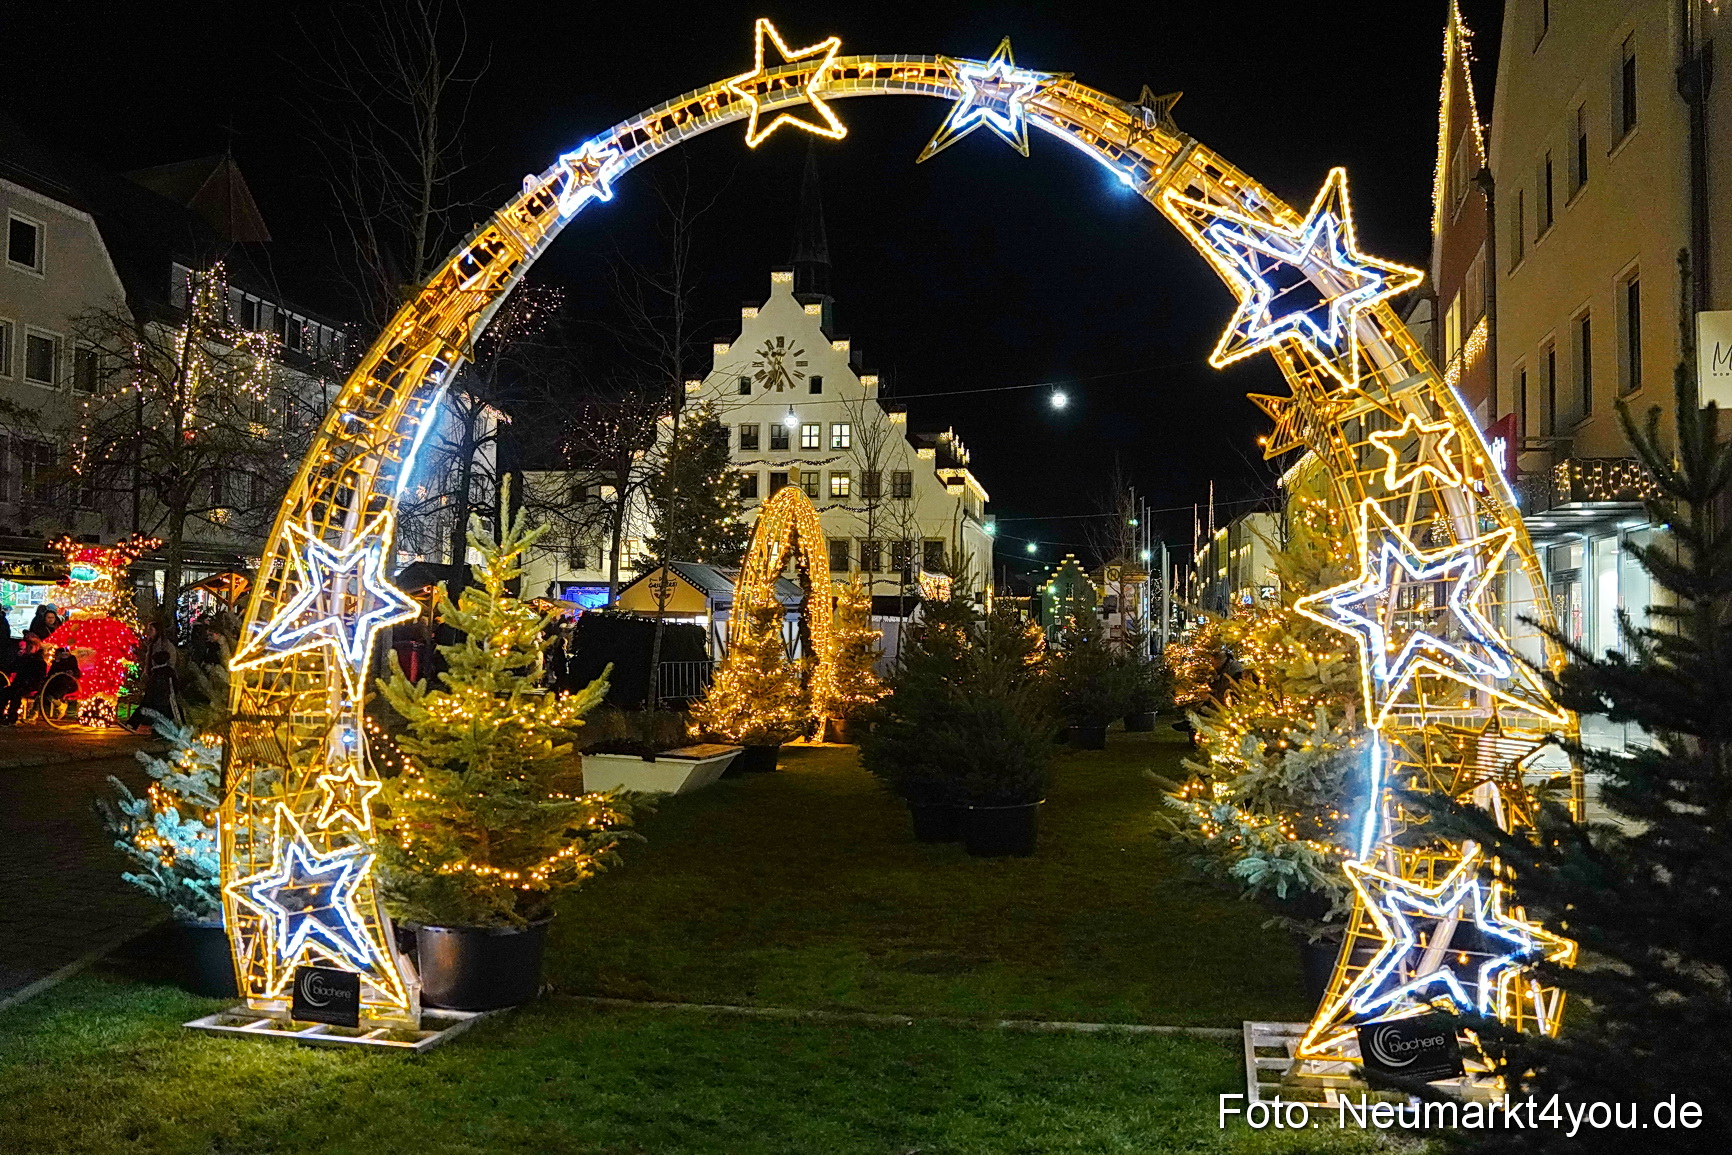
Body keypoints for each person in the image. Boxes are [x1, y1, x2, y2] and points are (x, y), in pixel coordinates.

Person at [0, 634, 47, 725]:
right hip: (19, 683)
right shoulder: (24, 658)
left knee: (16, 693)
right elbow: (12, 668)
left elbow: (39, 677)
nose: (28, 649)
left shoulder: (39, 661)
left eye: (31, 646)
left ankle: (12, 717)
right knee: (4, 692)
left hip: (30, 685)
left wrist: (28, 682)